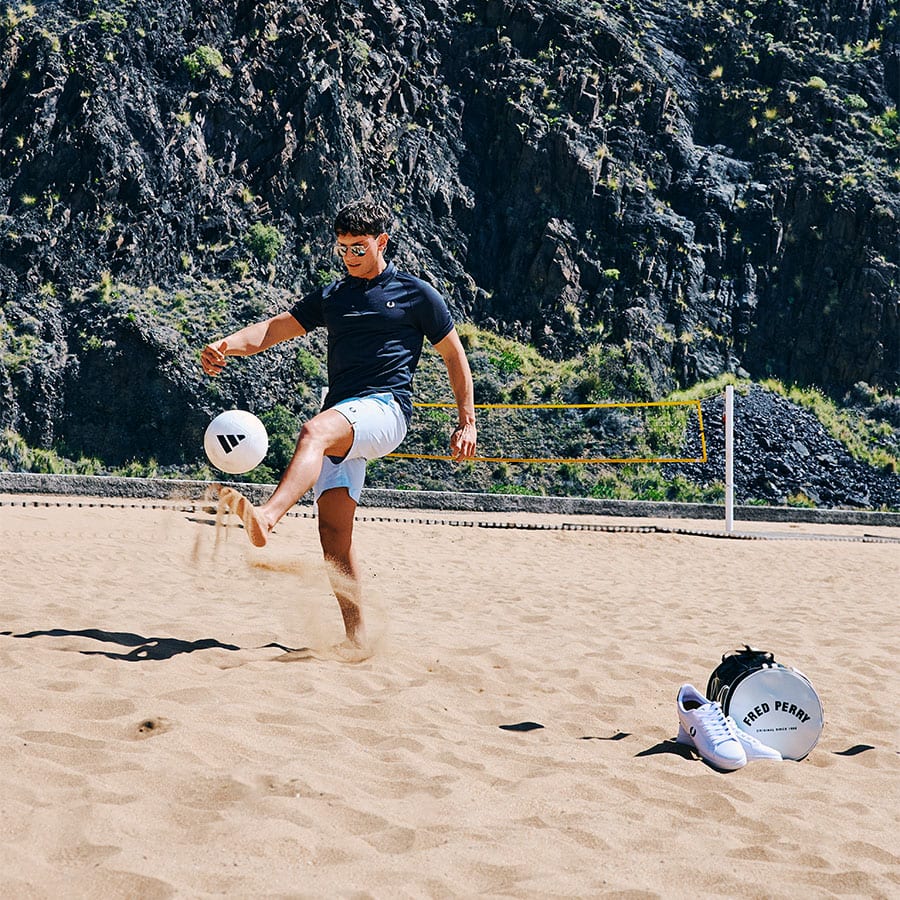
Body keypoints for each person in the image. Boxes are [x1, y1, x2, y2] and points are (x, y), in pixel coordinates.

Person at [200, 198, 477, 657]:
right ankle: (357, 639)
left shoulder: (415, 294)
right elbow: (272, 330)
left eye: (359, 248)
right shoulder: (332, 296)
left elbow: (454, 356)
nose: (350, 257)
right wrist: (225, 345)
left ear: (381, 242)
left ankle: (267, 517)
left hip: (386, 410)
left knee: (313, 432)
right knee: (333, 534)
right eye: (343, 248)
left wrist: (467, 422)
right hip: (345, 415)